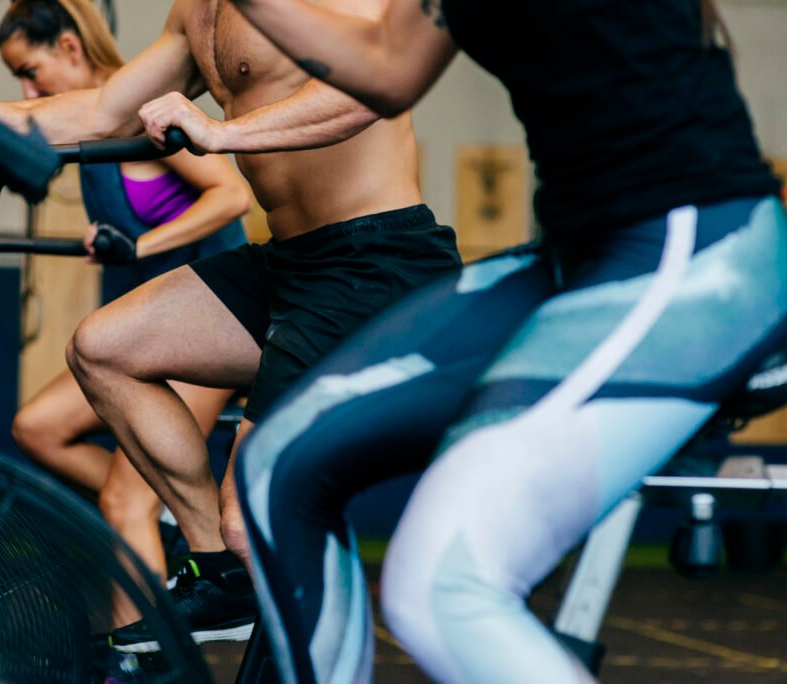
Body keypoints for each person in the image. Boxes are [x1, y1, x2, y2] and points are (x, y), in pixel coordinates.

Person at [228, 0, 787, 682]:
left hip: (697, 252)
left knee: (441, 587)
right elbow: (389, 64)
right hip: (579, 259)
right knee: (276, 468)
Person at [0, 0, 462, 650]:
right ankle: (222, 568)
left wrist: (222, 132)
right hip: (289, 263)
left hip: (373, 260)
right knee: (102, 349)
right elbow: (99, 112)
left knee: (251, 516)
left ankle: (245, 565)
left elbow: (374, 86)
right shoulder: (194, 13)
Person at [0, 0, 251, 593]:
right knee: (36, 427)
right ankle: (173, 511)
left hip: (212, 321)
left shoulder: (142, 115)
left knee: (120, 501)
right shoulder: (81, 129)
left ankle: (140, 665)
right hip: (155, 333)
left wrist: (137, 245)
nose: (29, 91)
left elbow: (231, 196)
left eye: (31, 70)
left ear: (71, 49)